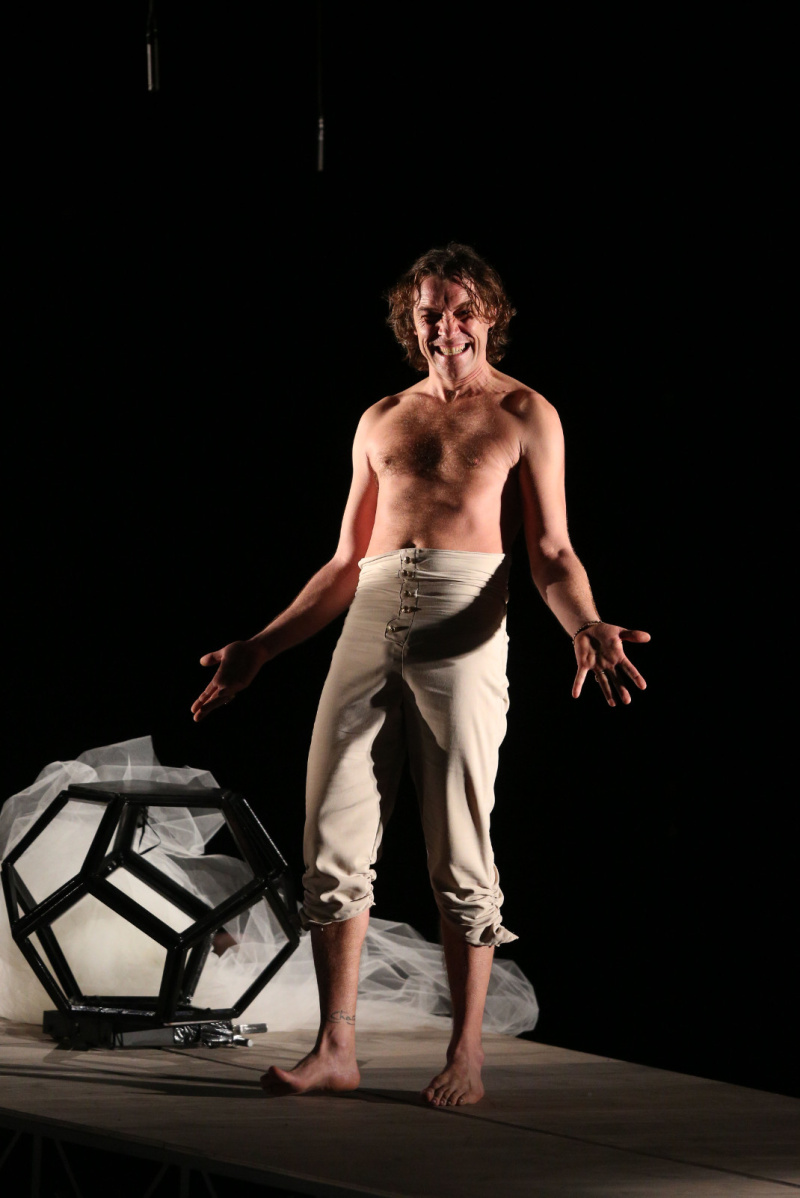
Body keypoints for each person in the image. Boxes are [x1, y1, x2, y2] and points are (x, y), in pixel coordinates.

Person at [191, 243, 649, 1107]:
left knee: (460, 845)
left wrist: (585, 624)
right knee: (331, 839)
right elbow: (343, 562)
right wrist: (260, 647)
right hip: (370, 615)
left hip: (463, 620)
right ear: (412, 321)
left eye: (463, 310)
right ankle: (335, 1049)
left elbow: (551, 551)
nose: (447, 328)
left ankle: (466, 1054)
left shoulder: (525, 412)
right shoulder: (382, 418)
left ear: (491, 314)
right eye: (431, 313)